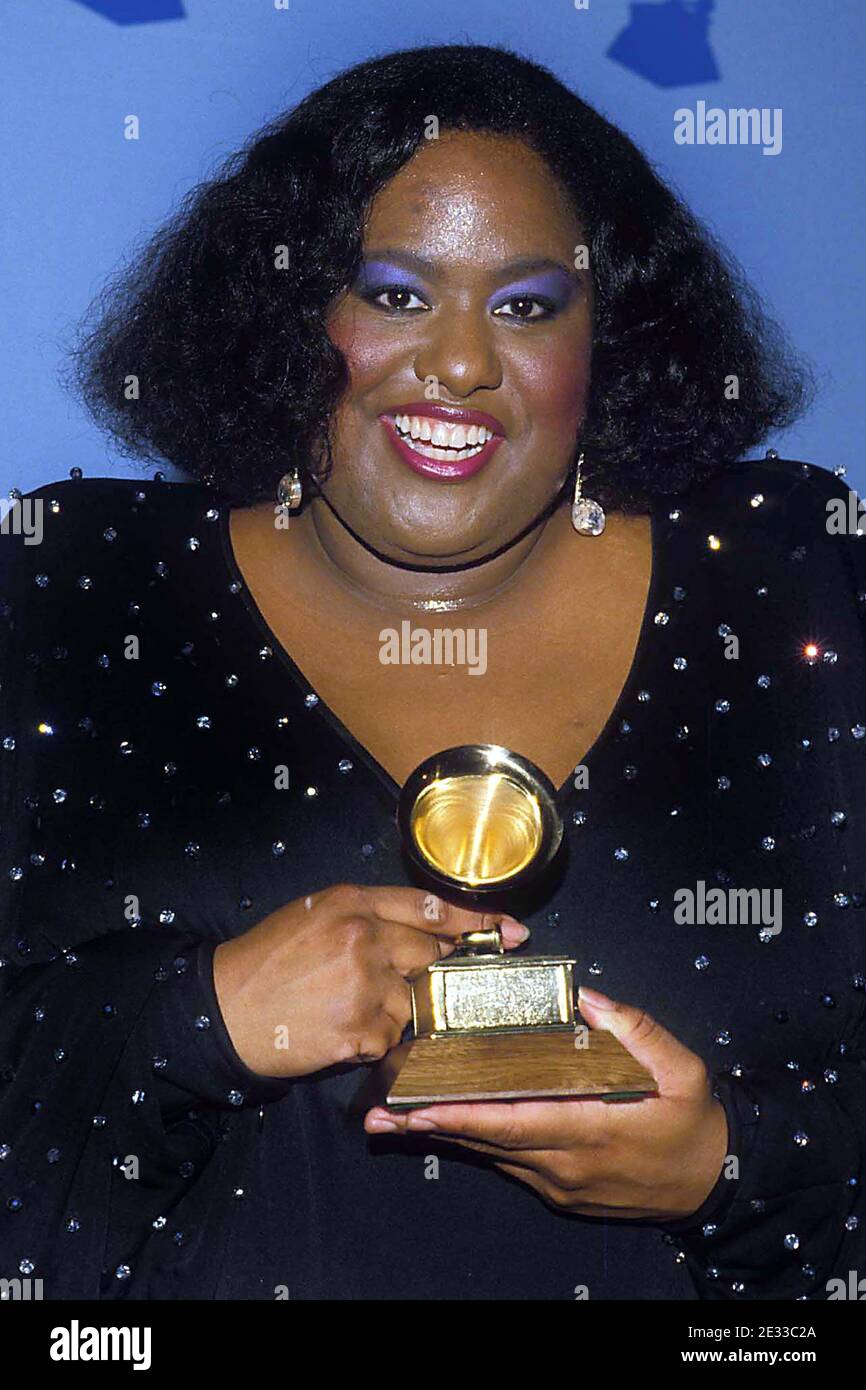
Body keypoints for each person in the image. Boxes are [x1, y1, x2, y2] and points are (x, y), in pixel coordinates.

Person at [1, 44, 862, 1301]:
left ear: (608, 337)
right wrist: (197, 1018)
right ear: (289, 316)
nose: (459, 364)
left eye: (525, 305)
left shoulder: (798, 583)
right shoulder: (66, 592)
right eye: (395, 295)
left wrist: (731, 1173)